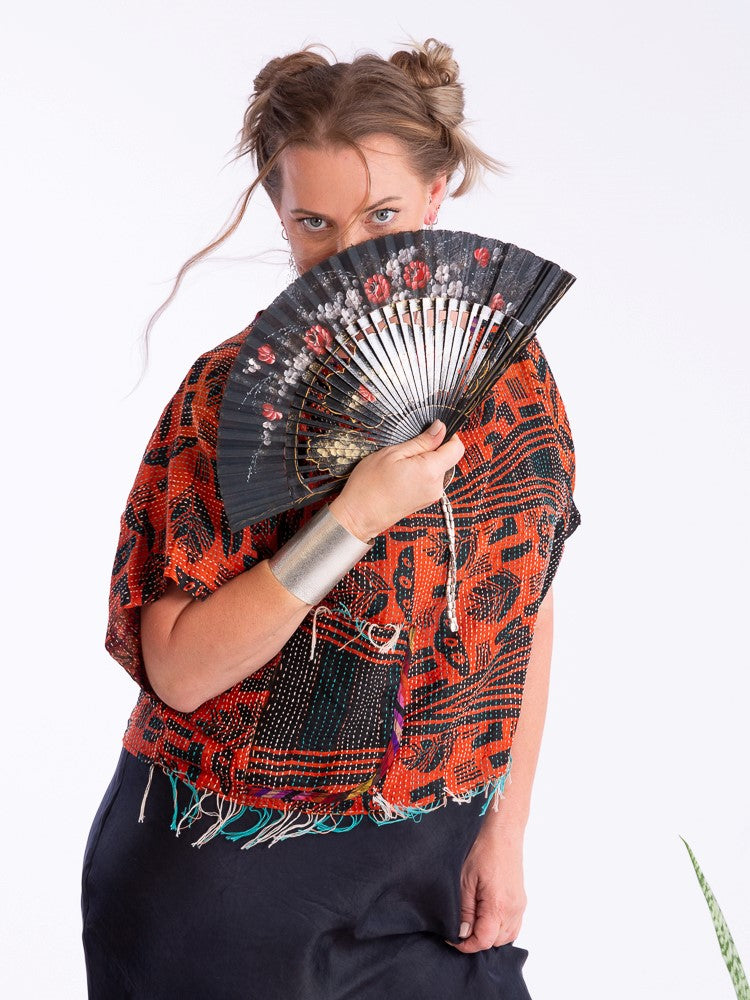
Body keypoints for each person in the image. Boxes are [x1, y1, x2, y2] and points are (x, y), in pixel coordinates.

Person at [81, 37, 580, 1000]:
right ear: (280, 212)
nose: (350, 257)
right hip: (226, 873)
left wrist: (503, 835)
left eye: (382, 214)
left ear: (438, 197)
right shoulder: (231, 399)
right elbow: (179, 673)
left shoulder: (508, 377)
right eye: (314, 222)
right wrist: (352, 518)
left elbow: (530, 610)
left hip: (434, 865)